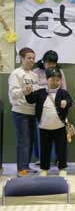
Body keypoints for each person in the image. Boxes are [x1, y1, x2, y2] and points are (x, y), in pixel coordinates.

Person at [24, 68, 72, 177]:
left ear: (60, 81)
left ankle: (62, 168)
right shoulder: (41, 92)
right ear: (47, 79)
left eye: (57, 80)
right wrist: (27, 93)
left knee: (61, 149)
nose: (55, 82)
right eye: (52, 79)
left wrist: (66, 102)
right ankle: (44, 169)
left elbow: (70, 101)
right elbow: (31, 99)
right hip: (44, 127)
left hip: (59, 126)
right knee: (45, 149)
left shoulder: (63, 92)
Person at [8, 47, 39, 177]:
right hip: (20, 111)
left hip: (32, 111)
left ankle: (26, 166)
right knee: (23, 140)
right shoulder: (16, 73)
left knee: (31, 140)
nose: (31, 60)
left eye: (33, 58)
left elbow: (36, 93)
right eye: (28, 58)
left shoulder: (34, 75)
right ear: (21, 58)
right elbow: (13, 93)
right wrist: (24, 91)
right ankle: (21, 169)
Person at [33, 50, 67, 165]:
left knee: (58, 136)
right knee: (41, 135)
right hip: (41, 107)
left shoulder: (59, 72)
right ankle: (41, 159)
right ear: (43, 61)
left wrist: (64, 104)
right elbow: (34, 89)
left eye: (53, 63)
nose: (51, 65)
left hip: (57, 108)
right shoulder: (36, 72)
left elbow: (64, 89)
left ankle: (57, 159)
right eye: (49, 63)